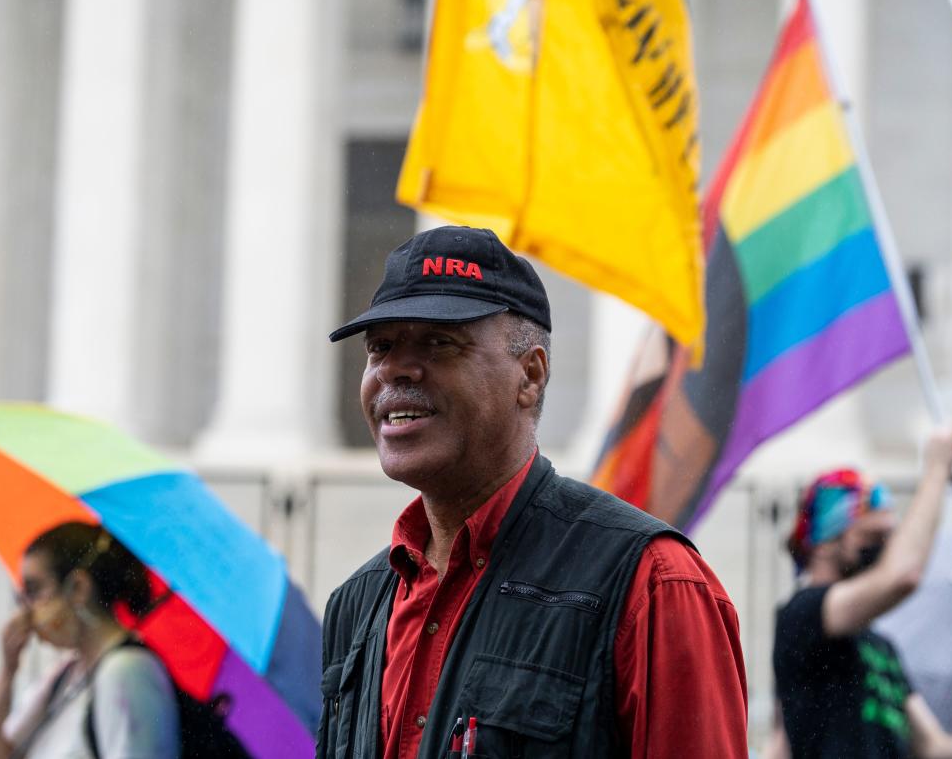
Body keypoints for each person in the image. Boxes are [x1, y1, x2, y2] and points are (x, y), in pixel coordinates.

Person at [318, 226, 749, 758]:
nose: (396, 369)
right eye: (381, 346)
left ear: (531, 374)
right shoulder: (356, 606)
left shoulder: (653, 583)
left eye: (438, 341)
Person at [773, 429, 952, 758]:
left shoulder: (882, 647)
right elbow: (903, 576)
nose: (884, 550)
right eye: (871, 537)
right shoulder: (802, 615)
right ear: (826, 542)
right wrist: (936, 470)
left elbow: (934, 748)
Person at [0, 522, 179, 759]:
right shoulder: (66, 673)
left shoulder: (128, 672)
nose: (24, 612)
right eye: (22, 596)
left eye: (34, 590)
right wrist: (7, 672)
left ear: (78, 588)